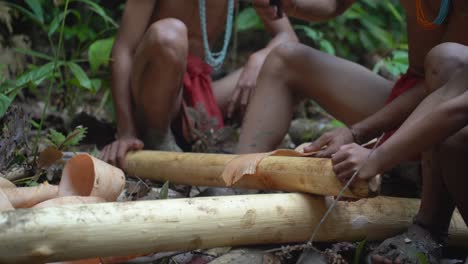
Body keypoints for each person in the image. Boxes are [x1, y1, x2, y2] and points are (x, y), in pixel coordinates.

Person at [238, 0, 468, 263]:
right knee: (285, 58)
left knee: (447, 61)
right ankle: (235, 182)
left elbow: (454, 98)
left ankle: (428, 228)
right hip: (410, 104)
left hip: (447, 129)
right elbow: (334, 4)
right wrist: (294, 4)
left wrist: (374, 152)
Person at [100, 0, 298, 169]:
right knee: (169, 34)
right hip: (155, 91)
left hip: (202, 91)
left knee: (290, 66)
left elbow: (288, 36)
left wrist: (260, 59)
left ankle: (248, 159)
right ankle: (157, 136)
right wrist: (126, 132)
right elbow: (123, 49)